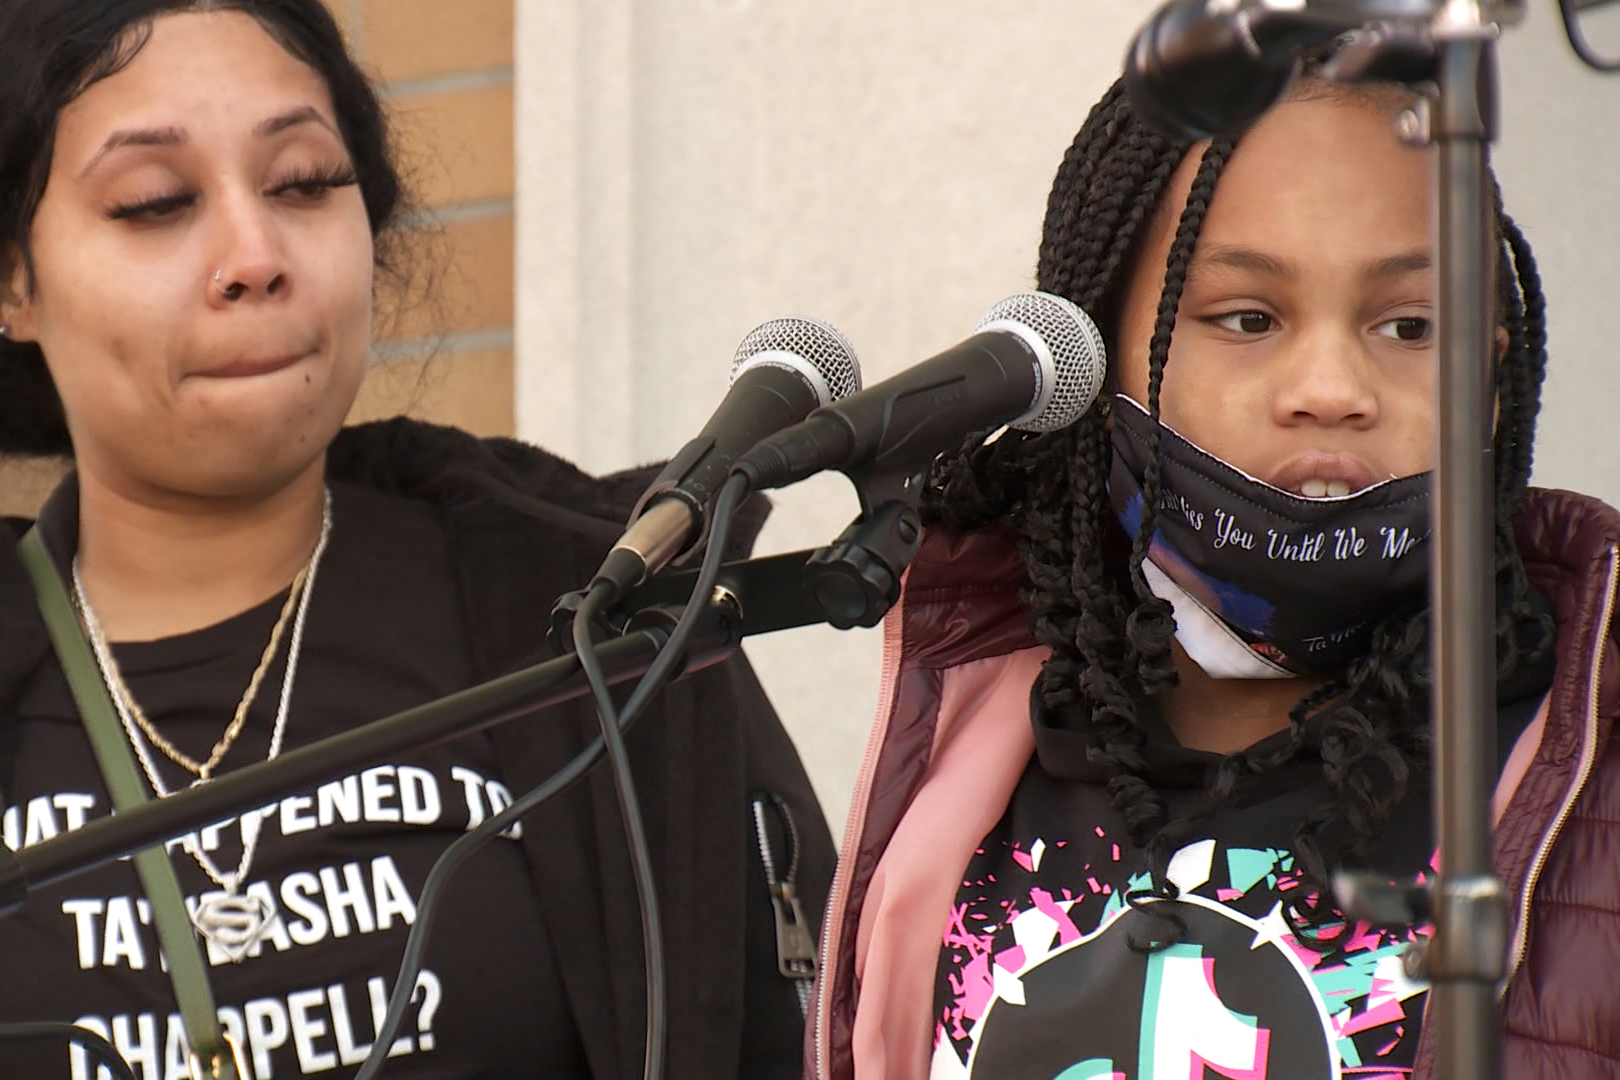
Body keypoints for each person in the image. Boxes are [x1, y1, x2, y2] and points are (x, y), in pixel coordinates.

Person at [0, 2, 835, 1078]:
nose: (253, 255)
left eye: (302, 183)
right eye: (155, 202)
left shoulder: (602, 625)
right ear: (15, 278)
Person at [806, 64, 1620, 1080]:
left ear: (1493, 384)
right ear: (1096, 371)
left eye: (1410, 326)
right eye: (1248, 319)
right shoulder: (971, 752)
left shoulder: (1586, 769)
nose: (1331, 391)